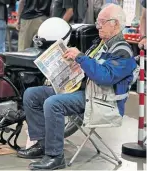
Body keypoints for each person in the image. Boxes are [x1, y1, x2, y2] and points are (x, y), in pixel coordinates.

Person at [17, 4, 137, 170]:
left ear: (115, 24)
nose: (98, 26)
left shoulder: (122, 51)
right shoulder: (100, 43)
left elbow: (105, 77)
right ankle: (42, 144)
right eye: (98, 21)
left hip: (102, 100)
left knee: (53, 103)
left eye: (102, 22)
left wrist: (80, 57)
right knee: (32, 94)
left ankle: (55, 156)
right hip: (86, 90)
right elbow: (90, 67)